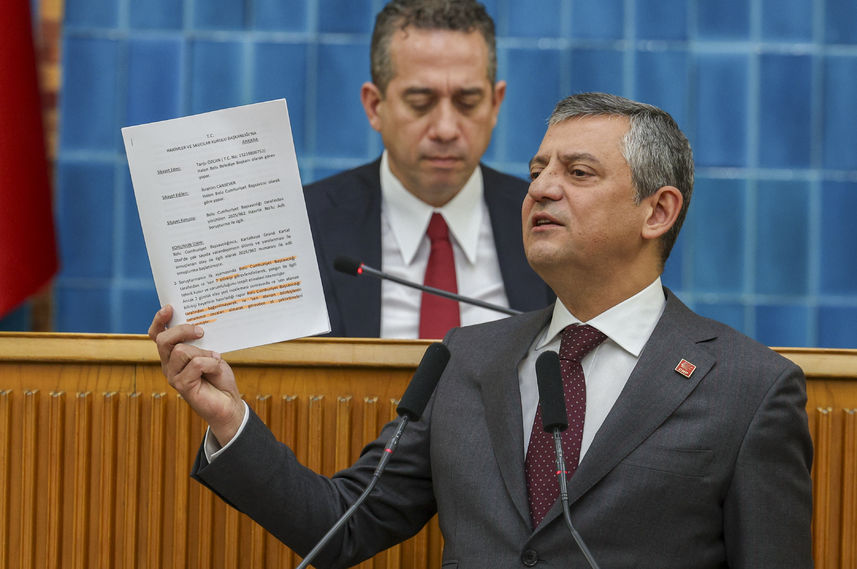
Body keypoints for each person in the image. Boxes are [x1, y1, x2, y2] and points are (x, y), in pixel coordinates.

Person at [150, 92, 813, 568]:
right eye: (536, 171)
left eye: (577, 173)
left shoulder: (748, 389)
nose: (541, 189)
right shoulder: (466, 358)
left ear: (657, 211)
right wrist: (229, 418)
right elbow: (341, 525)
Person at [304, 0, 553, 338]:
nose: (446, 129)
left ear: (495, 104)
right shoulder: (305, 228)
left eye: (468, 102)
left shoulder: (547, 219)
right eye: (420, 103)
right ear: (375, 106)